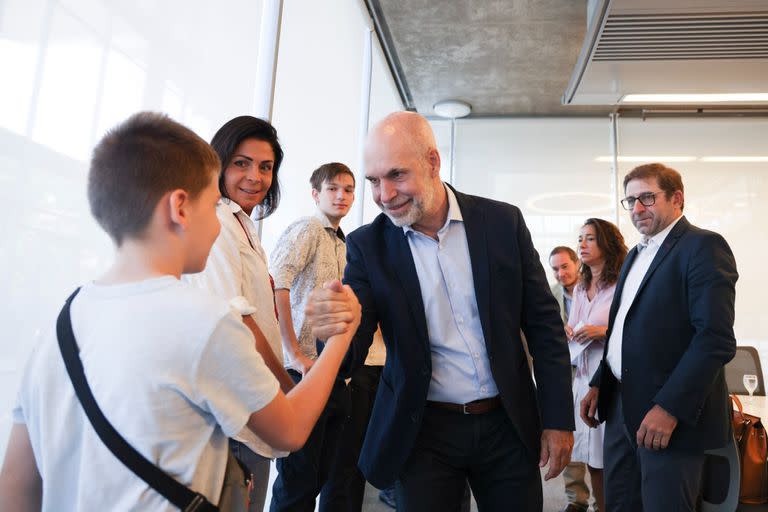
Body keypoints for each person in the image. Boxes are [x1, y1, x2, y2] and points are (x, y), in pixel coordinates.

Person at [0, 112, 361, 511]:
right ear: (180, 208)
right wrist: (341, 336)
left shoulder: (60, 326)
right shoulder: (207, 324)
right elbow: (290, 432)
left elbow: (16, 487)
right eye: (212, 203)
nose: (220, 218)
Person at [309, 111, 575, 511]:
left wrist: (557, 418)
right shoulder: (369, 247)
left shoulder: (502, 223)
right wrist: (333, 328)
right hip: (423, 429)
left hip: (507, 421)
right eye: (374, 181)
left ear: (432, 162)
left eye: (396, 175)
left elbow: (544, 326)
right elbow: (349, 355)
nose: (383, 195)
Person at [581, 163, 738, 512]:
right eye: (631, 200)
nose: (637, 209)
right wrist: (600, 381)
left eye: (647, 198)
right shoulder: (636, 255)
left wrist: (669, 408)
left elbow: (714, 338)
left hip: (668, 415)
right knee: (620, 504)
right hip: (620, 406)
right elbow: (623, 326)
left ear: (676, 198)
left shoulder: (703, 247)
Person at [183, 115, 295, 511]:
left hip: (251, 408)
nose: (255, 177)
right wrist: (289, 388)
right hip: (232, 416)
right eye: (241, 163)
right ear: (219, 163)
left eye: (265, 167)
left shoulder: (242, 224)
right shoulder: (217, 222)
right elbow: (236, 321)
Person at [268, 162, 356, 511]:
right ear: (316, 194)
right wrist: (292, 353)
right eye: (333, 188)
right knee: (297, 481)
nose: (341, 196)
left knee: (324, 475)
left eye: (348, 189)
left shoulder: (341, 242)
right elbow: (277, 283)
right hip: (301, 372)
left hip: (329, 373)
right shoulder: (307, 229)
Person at [566, 219, 627, 512]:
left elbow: (631, 329)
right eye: (580, 239)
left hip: (610, 380)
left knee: (610, 458)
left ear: (607, 243)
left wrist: (600, 332)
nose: (582, 244)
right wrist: (568, 330)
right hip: (582, 377)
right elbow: (575, 324)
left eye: (590, 238)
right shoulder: (580, 286)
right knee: (592, 458)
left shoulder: (622, 284)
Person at [549, 246, 591, 512]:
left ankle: (604, 500)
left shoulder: (593, 288)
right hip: (565, 373)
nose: (561, 273)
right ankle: (576, 500)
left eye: (565, 266)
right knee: (570, 437)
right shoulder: (549, 295)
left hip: (592, 370)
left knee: (598, 439)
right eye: (555, 269)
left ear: (576, 264)